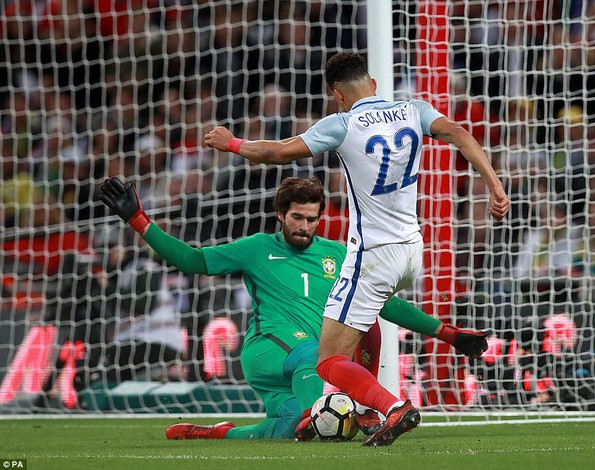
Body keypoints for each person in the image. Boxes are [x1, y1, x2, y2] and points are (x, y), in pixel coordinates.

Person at [203, 52, 509, 446]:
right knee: (367, 316)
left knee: (328, 361)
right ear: (374, 84)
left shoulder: (342, 123)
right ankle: (365, 412)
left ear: (338, 95)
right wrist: (496, 187)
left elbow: (276, 152)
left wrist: (233, 143)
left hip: (372, 253)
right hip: (413, 250)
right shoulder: (414, 110)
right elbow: (461, 135)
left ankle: (393, 407)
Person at [98, 176, 488, 441]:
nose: (305, 226)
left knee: (286, 427)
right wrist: (138, 220)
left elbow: (386, 304)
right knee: (315, 353)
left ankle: (217, 432)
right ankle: (387, 407)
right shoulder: (256, 248)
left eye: (312, 219)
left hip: (306, 363)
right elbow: (192, 261)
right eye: (297, 218)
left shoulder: (337, 255)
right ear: (281, 214)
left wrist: (448, 334)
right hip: (267, 348)